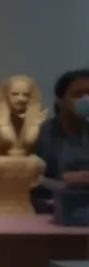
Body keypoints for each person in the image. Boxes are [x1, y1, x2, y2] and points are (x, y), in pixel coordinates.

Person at [32, 68, 89, 213]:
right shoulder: (43, 133)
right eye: (78, 94)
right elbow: (28, 178)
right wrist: (63, 181)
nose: (86, 100)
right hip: (51, 211)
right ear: (60, 100)